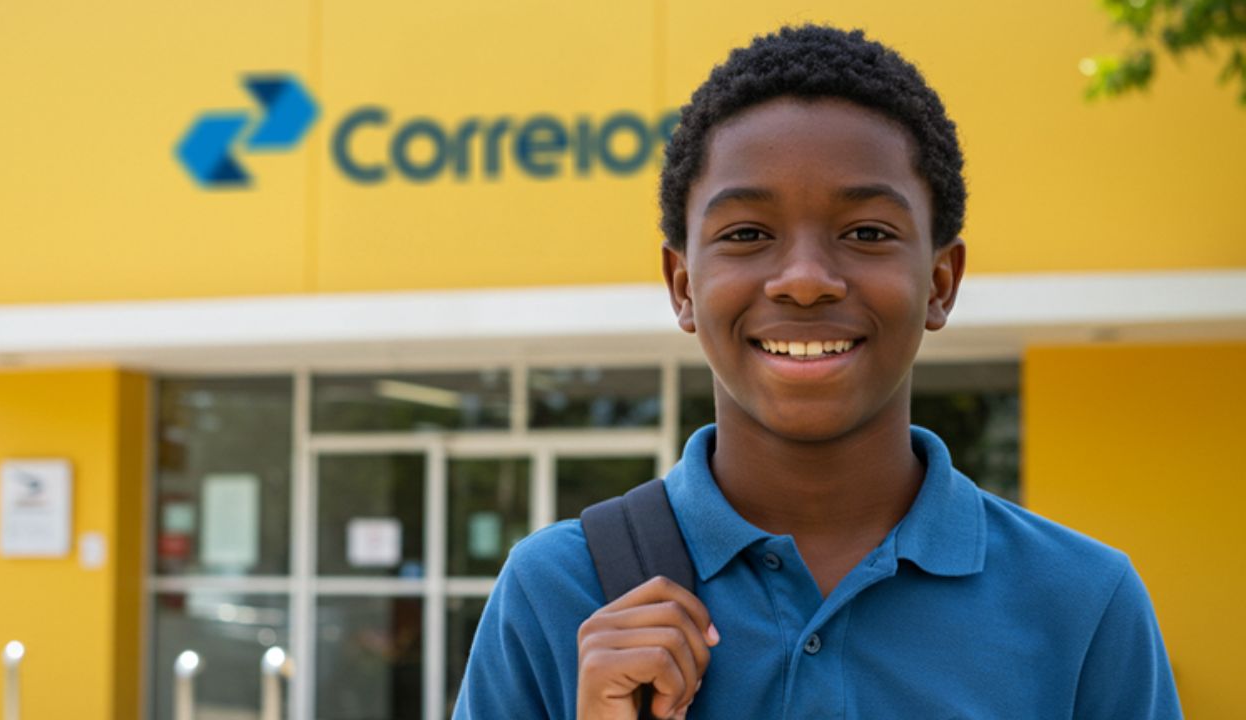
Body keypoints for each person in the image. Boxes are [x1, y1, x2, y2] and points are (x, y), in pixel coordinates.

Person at [453, 24, 1181, 719]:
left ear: (940, 282)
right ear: (683, 286)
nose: (804, 280)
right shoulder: (558, 590)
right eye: (746, 234)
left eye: (866, 233)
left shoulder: (1083, 601)